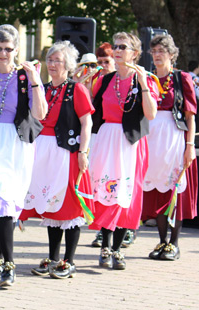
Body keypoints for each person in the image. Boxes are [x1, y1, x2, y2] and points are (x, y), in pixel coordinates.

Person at [0, 24, 46, 287]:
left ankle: (8, 263)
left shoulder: (25, 77)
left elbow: (40, 114)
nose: (3, 53)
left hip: (15, 144)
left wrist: (36, 80)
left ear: (17, 49)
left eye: (8, 49)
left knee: (5, 200)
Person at [20, 41, 94, 279]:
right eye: (50, 60)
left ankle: (69, 261)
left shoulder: (76, 89)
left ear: (69, 65)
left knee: (70, 206)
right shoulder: (42, 88)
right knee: (50, 205)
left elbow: (87, 122)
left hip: (66, 151)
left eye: (57, 60)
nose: (52, 64)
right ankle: (53, 258)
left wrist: (83, 152)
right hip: (43, 152)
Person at [89, 32, 159, 270]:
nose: (118, 51)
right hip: (107, 139)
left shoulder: (145, 79)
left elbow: (151, 114)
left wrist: (143, 86)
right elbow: (91, 108)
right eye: (116, 47)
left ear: (135, 53)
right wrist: (84, 84)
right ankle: (105, 246)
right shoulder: (106, 80)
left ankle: (117, 248)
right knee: (105, 192)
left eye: (123, 47)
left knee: (125, 194)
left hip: (130, 143)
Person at [141, 35, 197, 260]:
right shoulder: (147, 78)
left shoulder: (181, 78)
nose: (156, 55)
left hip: (174, 138)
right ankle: (162, 241)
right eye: (153, 51)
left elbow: (190, 114)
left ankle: (174, 243)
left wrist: (190, 145)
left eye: (161, 50)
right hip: (151, 139)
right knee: (156, 192)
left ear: (172, 54)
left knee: (175, 189)